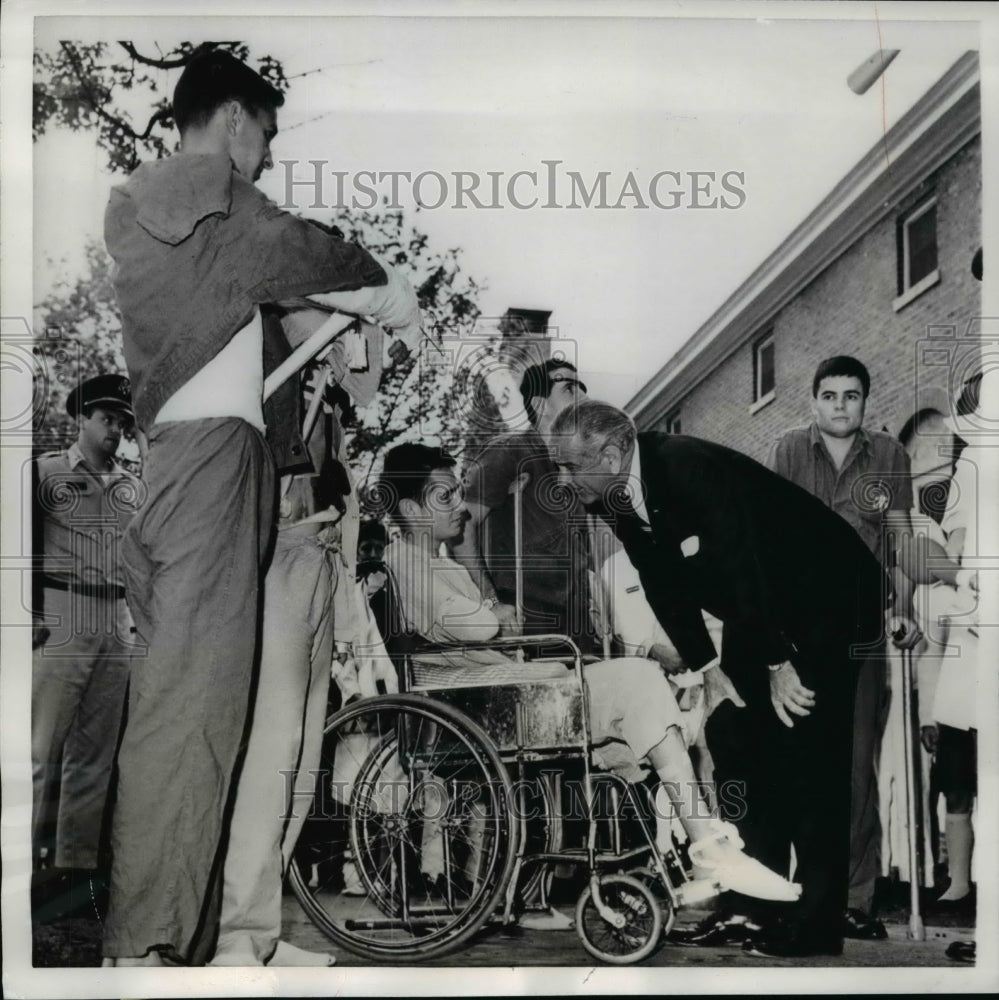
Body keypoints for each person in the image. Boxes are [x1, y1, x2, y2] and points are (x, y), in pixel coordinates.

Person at [102, 47, 420, 966]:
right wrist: (390, 295)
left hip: (190, 462)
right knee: (194, 714)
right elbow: (311, 251)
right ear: (235, 119)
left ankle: (177, 941)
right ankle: (150, 949)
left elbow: (270, 283)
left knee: (195, 708)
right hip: (214, 470)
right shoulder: (208, 190)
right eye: (268, 135)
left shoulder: (159, 209)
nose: (269, 159)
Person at [377, 442, 802, 907]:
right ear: (411, 508)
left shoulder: (435, 563)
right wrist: (494, 609)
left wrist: (500, 621)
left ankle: (699, 847)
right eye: (446, 496)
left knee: (636, 685)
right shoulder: (406, 562)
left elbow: (477, 632)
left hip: (497, 692)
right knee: (637, 682)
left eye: (459, 492)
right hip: (477, 705)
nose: (461, 505)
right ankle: (704, 847)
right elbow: (479, 626)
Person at [550, 400, 887, 958]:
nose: (561, 479)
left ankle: (818, 925)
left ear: (610, 455)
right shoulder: (608, 490)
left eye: (567, 466)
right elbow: (661, 579)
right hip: (763, 603)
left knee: (812, 747)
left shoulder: (684, 466)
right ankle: (759, 905)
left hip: (831, 595)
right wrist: (708, 669)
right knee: (737, 737)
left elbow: (740, 558)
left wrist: (779, 664)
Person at [767, 355, 955, 939]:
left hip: (863, 627)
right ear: (814, 400)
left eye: (851, 395)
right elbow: (771, 538)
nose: (840, 405)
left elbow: (898, 540)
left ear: (865, 402)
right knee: (800, 762)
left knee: (855, 764)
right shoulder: (789, 452)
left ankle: (854, 898)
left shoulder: (890, 456)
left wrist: (901, 608)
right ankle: (801, 892)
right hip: (799, 626)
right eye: (830, 395)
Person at [32, 375, 140, 911]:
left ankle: (72, 873)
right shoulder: (46, 472)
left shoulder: (133, 487)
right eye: (106, 418)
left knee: (95, 754)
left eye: (122, 421)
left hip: (115, 616)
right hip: (62, 609)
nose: (115, 429)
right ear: (81, 417)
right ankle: (20, 864)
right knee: (39, 748)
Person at [454, 359, 593, 647]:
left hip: (577, 615)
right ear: (540, 404)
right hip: (524, 609)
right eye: (569, 388)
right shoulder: (508, 452)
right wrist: (490, 602)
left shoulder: (575, 467)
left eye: (582, 388)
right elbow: (460, 530)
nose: (583, 398)